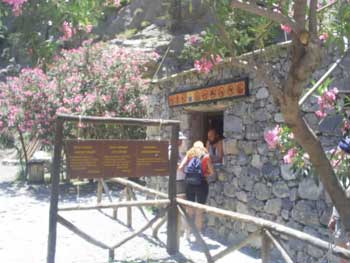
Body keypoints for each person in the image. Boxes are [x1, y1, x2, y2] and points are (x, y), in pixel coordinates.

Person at [178, 141, 214, 234]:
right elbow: (212, 172)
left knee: (189, 209)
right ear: (203, 148)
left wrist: (188, 174)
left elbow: (180, 167)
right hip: (201, 183)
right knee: (199, 210)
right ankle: (197, 234)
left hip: (189, 183)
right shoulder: (206, 157)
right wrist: (204, 174)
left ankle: (188, 231)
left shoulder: (189, 155)